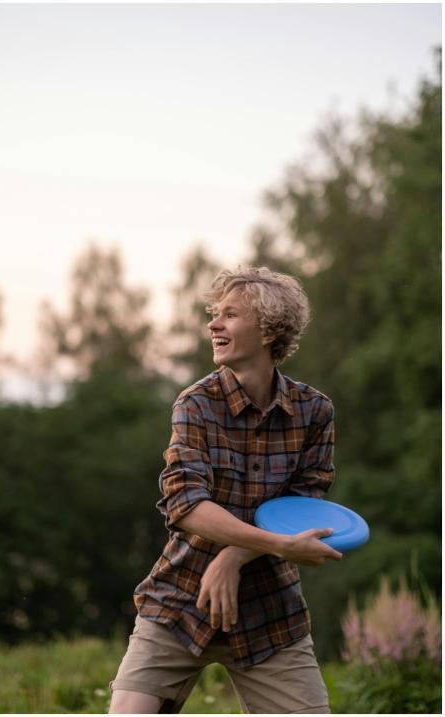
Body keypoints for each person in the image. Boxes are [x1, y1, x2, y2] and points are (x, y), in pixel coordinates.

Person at [109, 266, 342, 714]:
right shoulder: (195, 404)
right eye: (214, 314)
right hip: (178, 603)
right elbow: (186, 506)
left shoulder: (314, 411)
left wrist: (234, 557)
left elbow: (303, 502)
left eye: (230, 315)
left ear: (270, 328)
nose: (213, 325)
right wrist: (276, 544)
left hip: (271, 611)